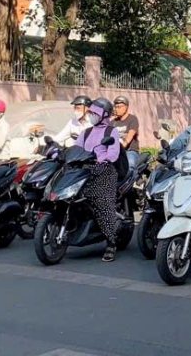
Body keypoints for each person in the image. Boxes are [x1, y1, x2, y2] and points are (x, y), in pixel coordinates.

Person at [75, 97, 123, 262]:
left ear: (105, 115)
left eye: (95, 113)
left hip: (105, 170)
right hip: (85, 170)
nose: (91, 115)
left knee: (103, 203)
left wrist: (102, 160)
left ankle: (111, 242)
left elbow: (113, 153)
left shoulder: (111, 132)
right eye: (91, 112)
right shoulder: (86, 132)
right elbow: (76, 149)